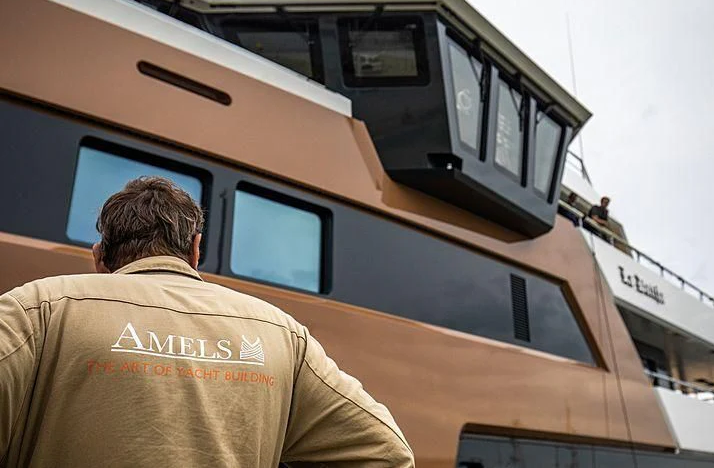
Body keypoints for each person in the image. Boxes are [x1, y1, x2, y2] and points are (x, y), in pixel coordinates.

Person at [0, 177, 414, 468]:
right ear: (195, 250)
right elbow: (386, 453)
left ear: (99, 256)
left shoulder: (38, 308)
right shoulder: (280, 334)